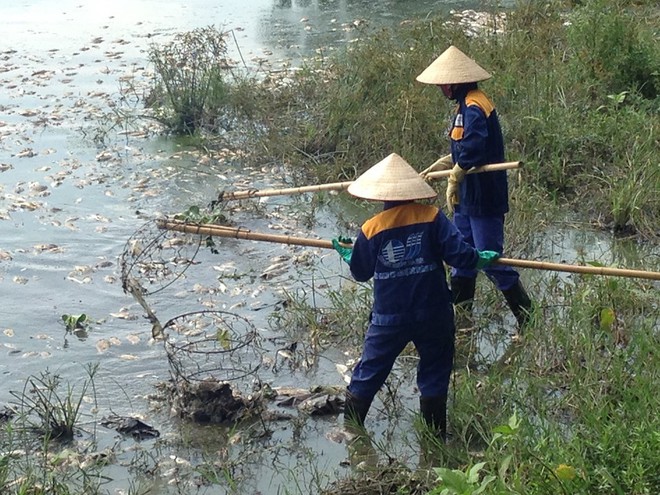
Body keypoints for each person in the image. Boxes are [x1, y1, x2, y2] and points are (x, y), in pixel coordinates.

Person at [333, 152, 500, 440]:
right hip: (434, 313)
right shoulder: (432, 217)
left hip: (388, 319)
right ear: (412, 193)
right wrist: (479, 259)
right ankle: (434, 440)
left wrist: (351, 254)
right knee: (435, 373)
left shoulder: (371, 229)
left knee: (369, 372)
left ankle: (351, 433)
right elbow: (460, 256)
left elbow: (361, 272)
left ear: (381, 196)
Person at [416, 45, 533, 332]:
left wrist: (455, 174)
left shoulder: (475, 105)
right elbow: (462, 147)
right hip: (467, 197)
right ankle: (463, 321)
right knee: (461, 254)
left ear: (454, 82)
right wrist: (441, 165)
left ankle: (528, 319)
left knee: (489, 256)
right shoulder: (463, 106)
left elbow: (476, 147)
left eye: (443, 84)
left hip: (484, 195)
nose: (441, 88)